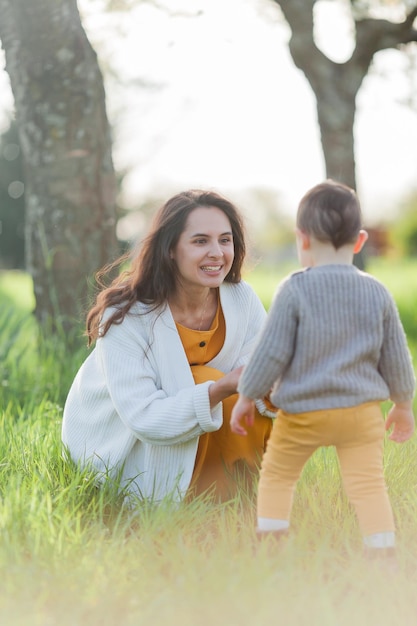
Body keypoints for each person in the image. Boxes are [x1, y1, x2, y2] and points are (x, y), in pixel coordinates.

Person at [231, 179, 415, 562]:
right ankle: (382, 555)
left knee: (279, 475)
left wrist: (247, 395)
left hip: (303, 414)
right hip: (360, 414)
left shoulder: (294, 289)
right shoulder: (376, 291)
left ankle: (271, 548)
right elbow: (396, 355)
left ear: (301, 240)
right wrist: (403, 404)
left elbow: (270, 352)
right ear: (360, 241)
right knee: (367, 484)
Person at [62, 189, 274, 503]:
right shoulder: (129, 315)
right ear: (171, 249)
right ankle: (193, 498)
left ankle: (239, 495)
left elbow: (261, 374)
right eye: (200, 241)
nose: (217, 252)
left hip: (202, 430)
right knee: (207, 381)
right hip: (124, 441)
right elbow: (144, 417)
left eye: (225, 240)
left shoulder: (241, 299)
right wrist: (222, 387)